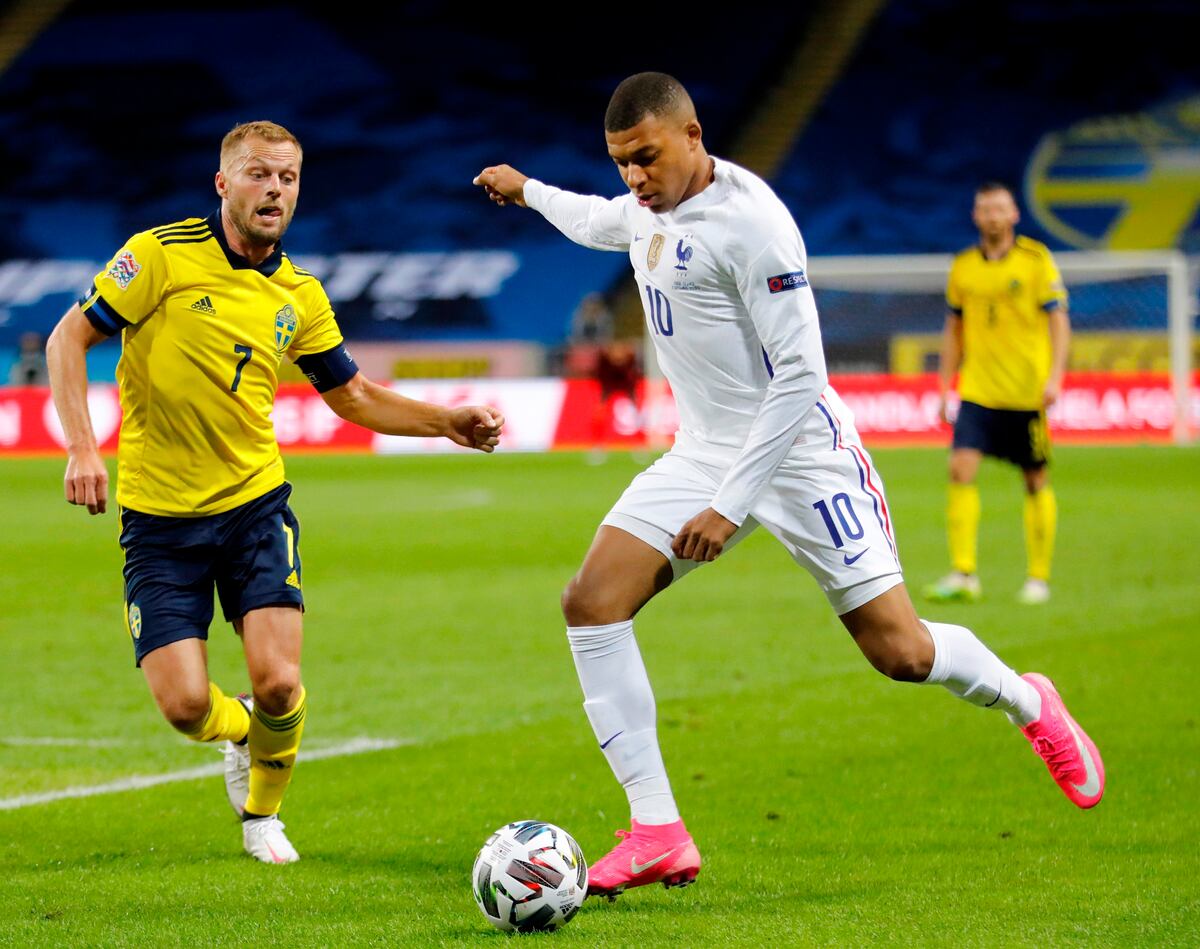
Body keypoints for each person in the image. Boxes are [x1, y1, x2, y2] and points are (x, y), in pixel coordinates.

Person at [474, 74, 1102, 901]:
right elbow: (599, 219)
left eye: (646, 158)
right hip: (703, 453)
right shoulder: (645, 208)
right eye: (622, 162)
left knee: (902, 652)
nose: (634, 177)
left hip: (803, 454)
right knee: (591, 603)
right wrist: (526, 189)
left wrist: (729, 505)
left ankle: (1029, 701)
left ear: (693, 134)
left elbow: (802, 374)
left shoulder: (754, 225)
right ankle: (658, 829)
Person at [46, 121, 503, 864]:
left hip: (254, 508)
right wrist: (80, 447)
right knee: (185, 707)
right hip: (159, 519)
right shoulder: (159, 255)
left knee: (281, 684)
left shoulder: (299, 294)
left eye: (288, 178)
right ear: (223, 183)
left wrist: (445, 421)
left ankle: (261, 815)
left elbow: (352, 395)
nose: (275, 190)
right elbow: (68, 338)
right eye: (259, 174)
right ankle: (239, 731)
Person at [924, 182, 1070, 606]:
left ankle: (1038, 578)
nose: (992, 216)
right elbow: (954, 330)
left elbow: (1059, 320)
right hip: (979, 390)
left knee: (1035, 479)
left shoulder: (1036, 260)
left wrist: (1056, 376)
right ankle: (964, 573)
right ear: (976, 216)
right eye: (985, 209)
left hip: (1026, 393)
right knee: (960, 469)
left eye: (999, 208)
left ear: (1014, 215)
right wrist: (944, 387)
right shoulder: (963, 267)